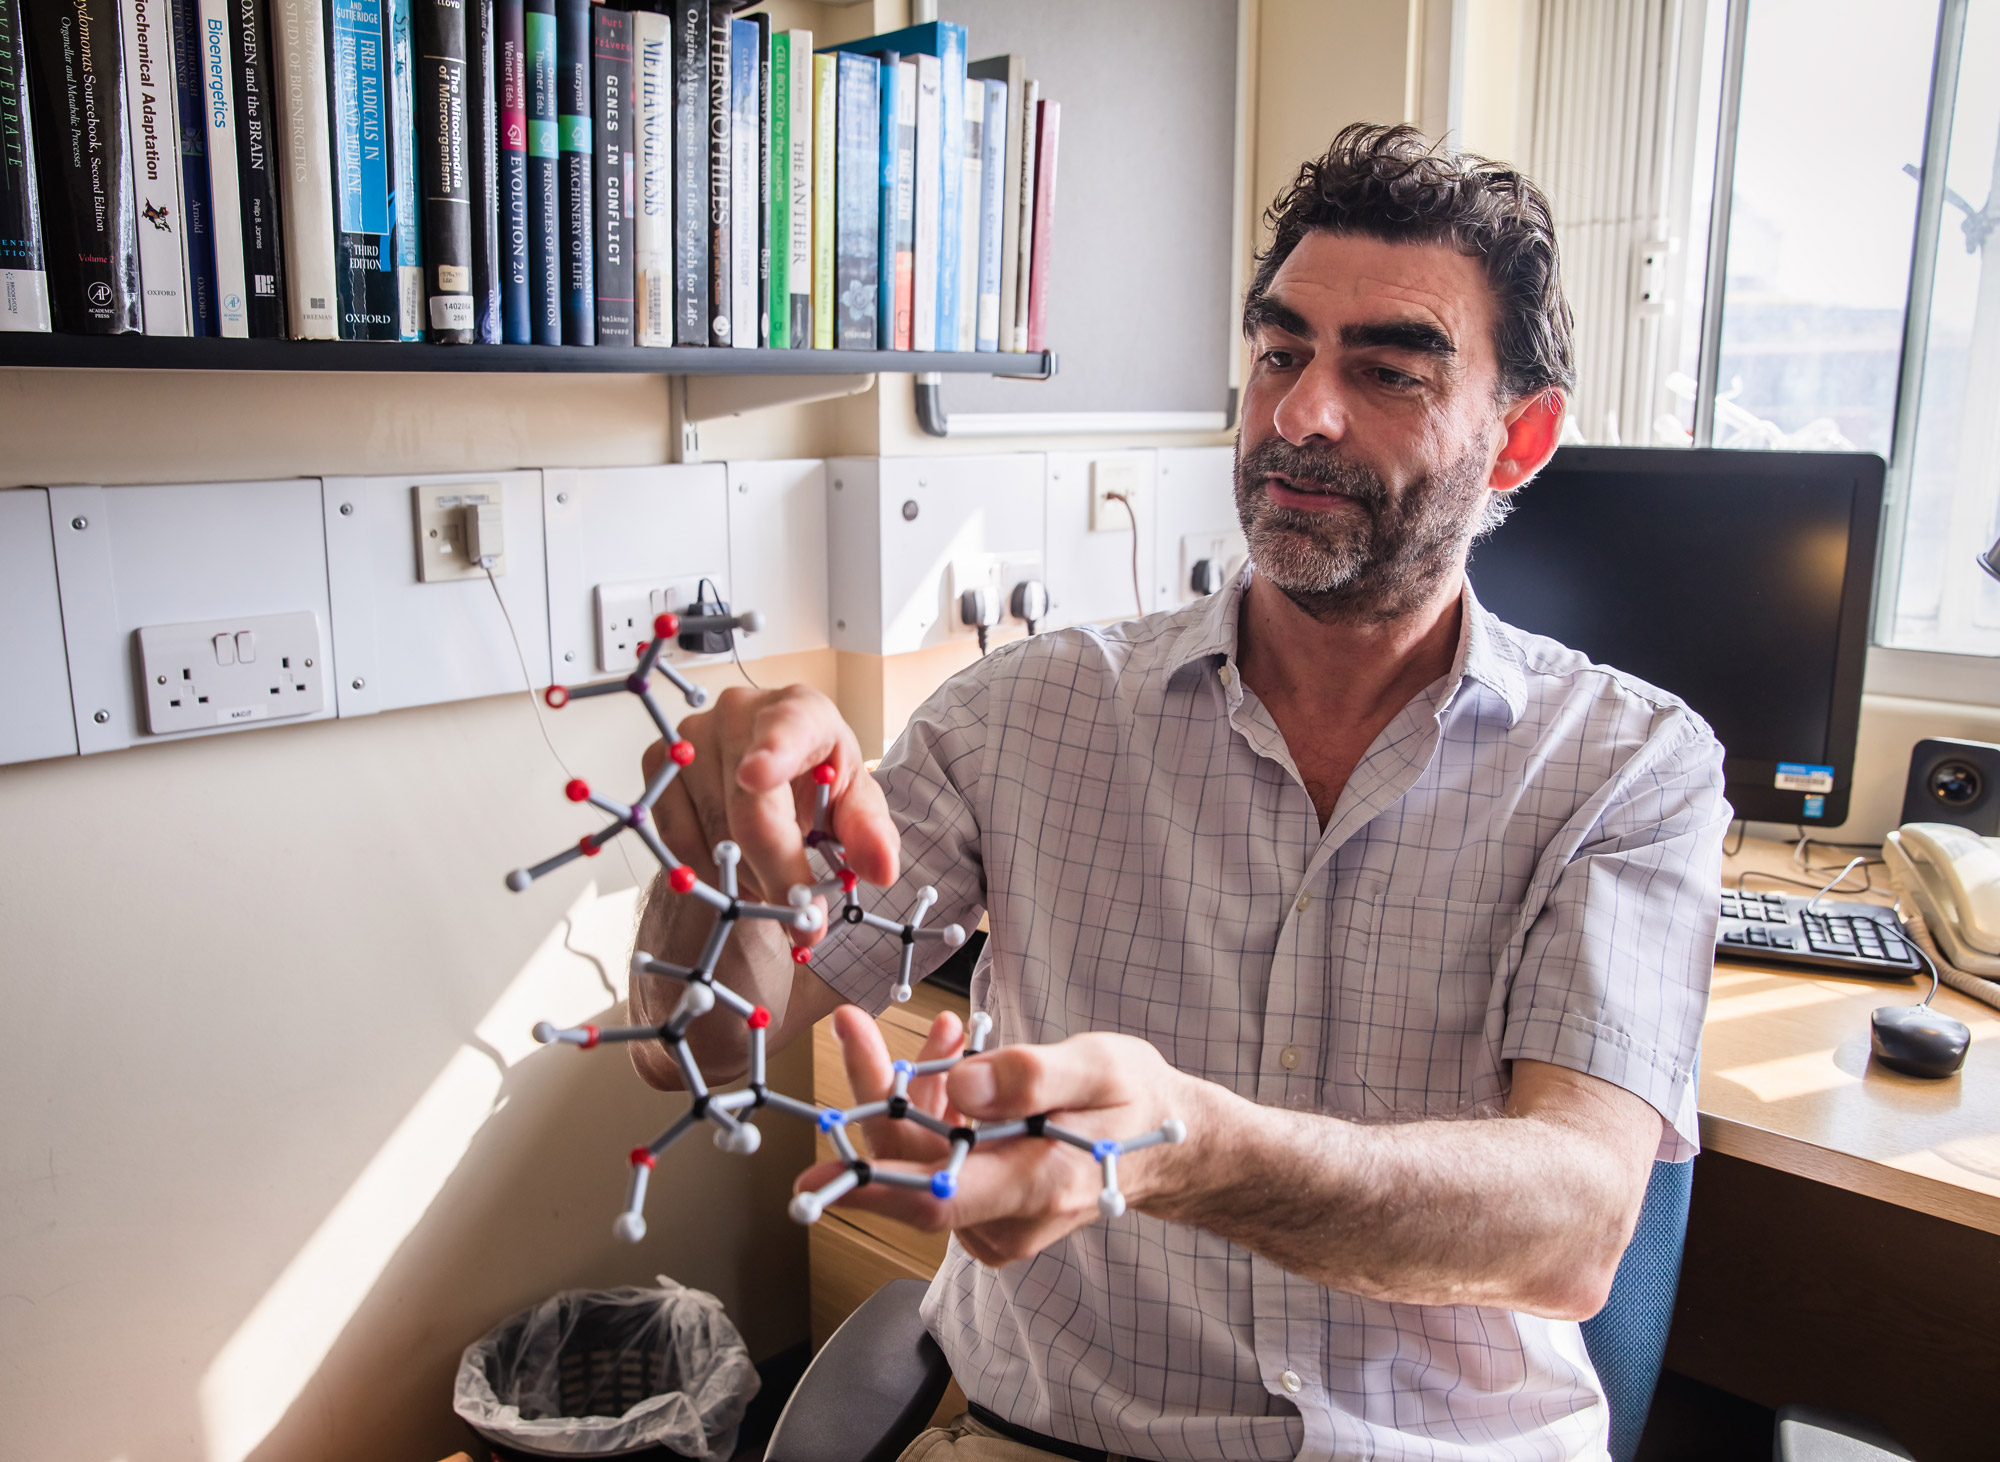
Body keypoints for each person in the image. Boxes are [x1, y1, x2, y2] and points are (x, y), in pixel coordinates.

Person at [629, 123, 1728, 1462]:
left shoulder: (1629, 767)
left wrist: (1188, 1146)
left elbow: (1574, 1226)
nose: (1301, 415)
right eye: (1280, 354)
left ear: (1522, 439)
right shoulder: (1026, 711)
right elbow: (705, 1046)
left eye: (1385, 371)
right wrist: (711, 861)